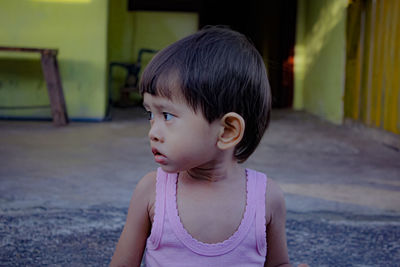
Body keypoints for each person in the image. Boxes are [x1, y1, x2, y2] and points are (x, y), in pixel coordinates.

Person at [110, 26, 305, 267]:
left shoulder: (266, 198)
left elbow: (278, 264)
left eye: (167, 116)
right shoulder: (152, 192)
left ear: (227, 131)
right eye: (150, 114)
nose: (153, 132)